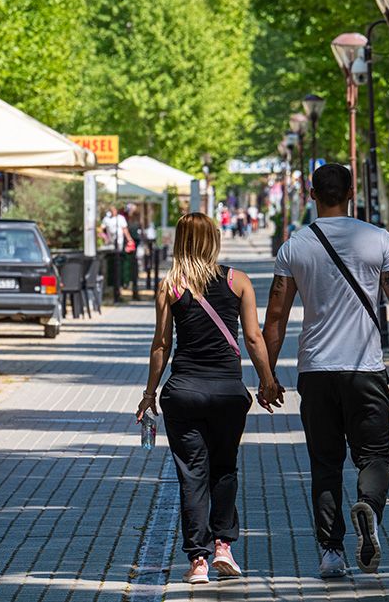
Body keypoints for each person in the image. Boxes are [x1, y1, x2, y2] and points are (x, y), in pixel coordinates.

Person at [261, 163, 389, 579]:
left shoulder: (294, 248)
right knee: (374, 455)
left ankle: (331, 552)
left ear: (311, 193)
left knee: (324, 463)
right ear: (352, 192)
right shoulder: (378, 240)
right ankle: (369, 511)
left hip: (316, 371)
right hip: (365, 369)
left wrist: (267, 376)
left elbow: (276, 318)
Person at [135, 212, 276, 586]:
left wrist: (149, 394)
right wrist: (268, 382)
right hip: (229, 392)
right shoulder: (238, 280)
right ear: (214, 239)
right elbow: (253, 339)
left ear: (179, 240)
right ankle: (223, 547)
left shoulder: (170, 286)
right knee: (225, 468)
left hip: (183, 393)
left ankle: (197, 561)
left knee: (191, 475)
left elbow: (161, 345)